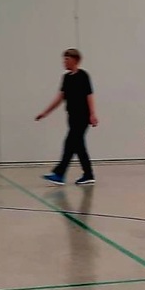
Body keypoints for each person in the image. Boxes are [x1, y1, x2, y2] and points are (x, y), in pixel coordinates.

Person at [35, 48, 98, 186]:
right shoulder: (66, 78)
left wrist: (93, 114)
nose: (64, 62)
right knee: (78, 146)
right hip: (72, 116)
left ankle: (60, 173)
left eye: (67, 59)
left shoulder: (83, 76)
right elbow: (60, 97)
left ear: (75, 60)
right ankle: (88, 174)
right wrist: (45, 112)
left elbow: (89, 95)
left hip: (83, 117)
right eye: (64, 59)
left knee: (70, 144)